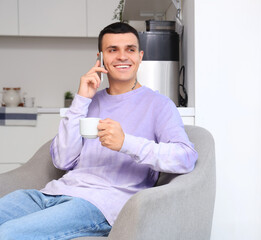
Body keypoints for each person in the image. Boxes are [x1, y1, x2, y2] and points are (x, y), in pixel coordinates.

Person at [0, 22, 198, 239]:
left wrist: (126, 143)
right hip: (51, 193)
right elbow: (62, 161)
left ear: (140, 56)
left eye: (130, 49)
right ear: (101, 57)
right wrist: (81, 99)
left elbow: (186, 158)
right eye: (113, 50)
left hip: (98, 205)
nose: (122, 56)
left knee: (8, 233)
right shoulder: (90, 101)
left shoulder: (159, 105)